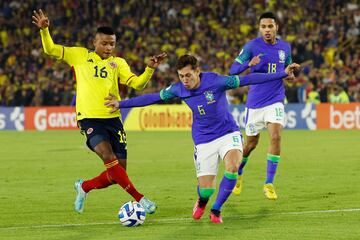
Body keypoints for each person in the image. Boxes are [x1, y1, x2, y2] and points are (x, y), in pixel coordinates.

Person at [105, 54, 299, 223]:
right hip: (204, 140)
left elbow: (250, 79)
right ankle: (203, 201)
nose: (185, 80)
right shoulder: (178, 89)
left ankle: (216, 209)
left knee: (232, 167)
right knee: (206, 190)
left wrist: (282, 73)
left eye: (188, 75)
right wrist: (122, 104)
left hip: (227, 133)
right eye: (181, 76)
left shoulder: (216, 81)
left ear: (198, 71)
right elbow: (152, 98)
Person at [32, 9, 167, 214]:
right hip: (89, 119)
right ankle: (141, 199)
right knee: (108, 156)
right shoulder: (78, 55)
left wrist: (149, 69)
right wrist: (44, 30)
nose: (108, 47)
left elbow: (137, 84)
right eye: (104, 43)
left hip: (113, 120)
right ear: (94, 42)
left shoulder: (118, 63)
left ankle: (84, 187)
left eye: (112, 43)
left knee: (118, 172)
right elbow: (50, 49)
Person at [229, 12, 294, 200]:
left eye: (270, 26)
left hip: (276, 99)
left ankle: (269, 183)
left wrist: (289, 76)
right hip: (255, 103)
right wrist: (249, 63)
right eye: (263, 27)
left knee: (275, 136)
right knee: (250, 144)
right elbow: (233, 70)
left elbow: (287, 71)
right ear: (259, 28)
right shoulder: (252, 46)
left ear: (276, 28)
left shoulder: (285, 48)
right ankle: (239, 173)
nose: (267, 30)